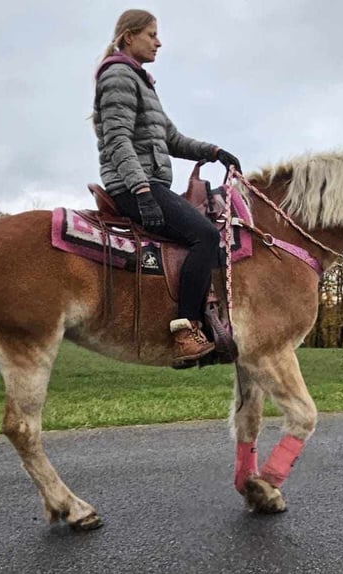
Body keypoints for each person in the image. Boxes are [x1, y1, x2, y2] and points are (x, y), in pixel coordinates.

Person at [93, 9, 242, 369]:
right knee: (205, 236)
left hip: (148, 181)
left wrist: (214, 151)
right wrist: (141, 190)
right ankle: (185, 329)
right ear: (128, 36)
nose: (158, 42)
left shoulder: (143, 82)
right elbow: (117, 141)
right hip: (133, 184)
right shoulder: (118, 76)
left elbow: (170, 138)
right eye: (151, 34)